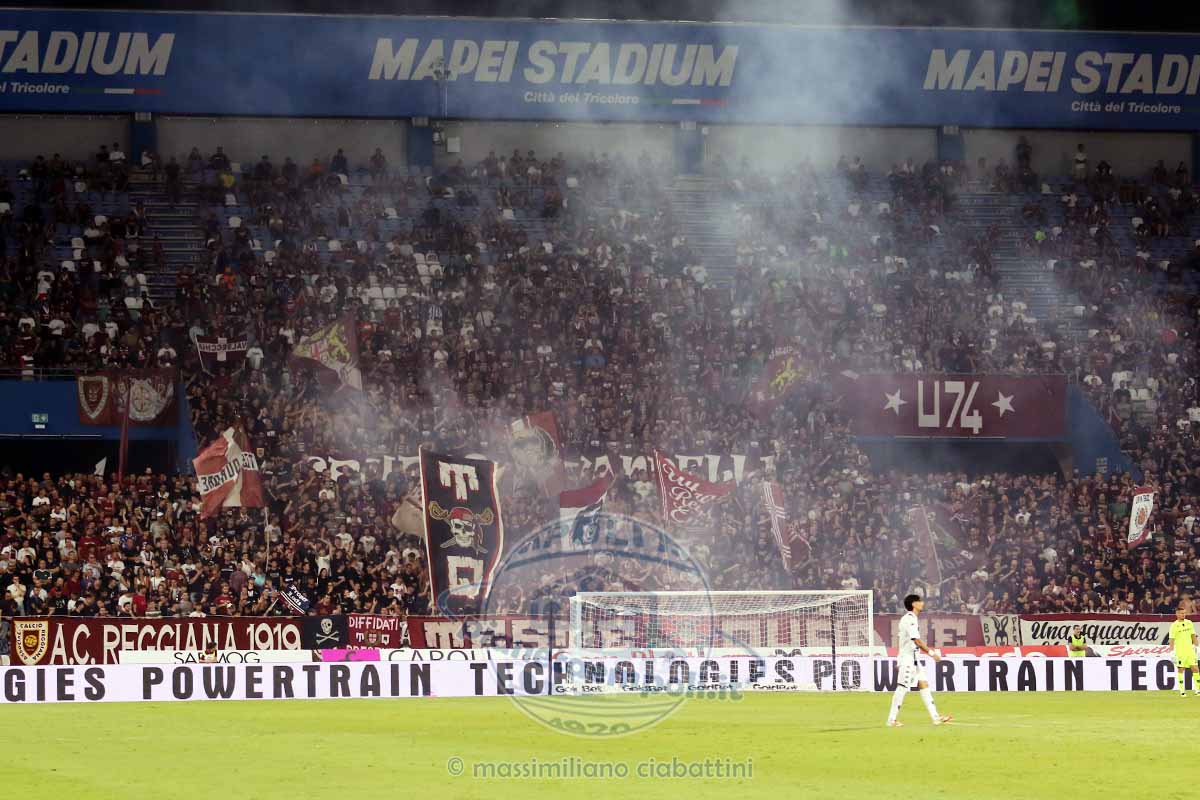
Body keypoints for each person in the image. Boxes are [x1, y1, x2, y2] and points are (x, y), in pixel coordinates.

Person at [887, 594, 952, 727]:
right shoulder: (909, 619)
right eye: (919, 601)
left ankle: (935, 717)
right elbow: (916, 640)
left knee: (924, 684)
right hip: (908, 659)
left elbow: (906, 640)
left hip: (915, 659)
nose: (922, 603)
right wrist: (932, 654)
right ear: (914, 604)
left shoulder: (912, 619)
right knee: (902, 688)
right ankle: (891, 720)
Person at [1168, 606, 1198, 697]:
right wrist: (1171, 652)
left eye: (1184, 613)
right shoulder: (1174, 625)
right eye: (1181, 613)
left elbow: (1193, 636)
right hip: (1180, 651)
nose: (1183, 615)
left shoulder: (1189, 623)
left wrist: (1197, 647)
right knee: (1181, 669)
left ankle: (1198, 690)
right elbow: (1171, 640)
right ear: (1177, 614)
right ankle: (1182, 690)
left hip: (1190, 651)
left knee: (1195, 669)